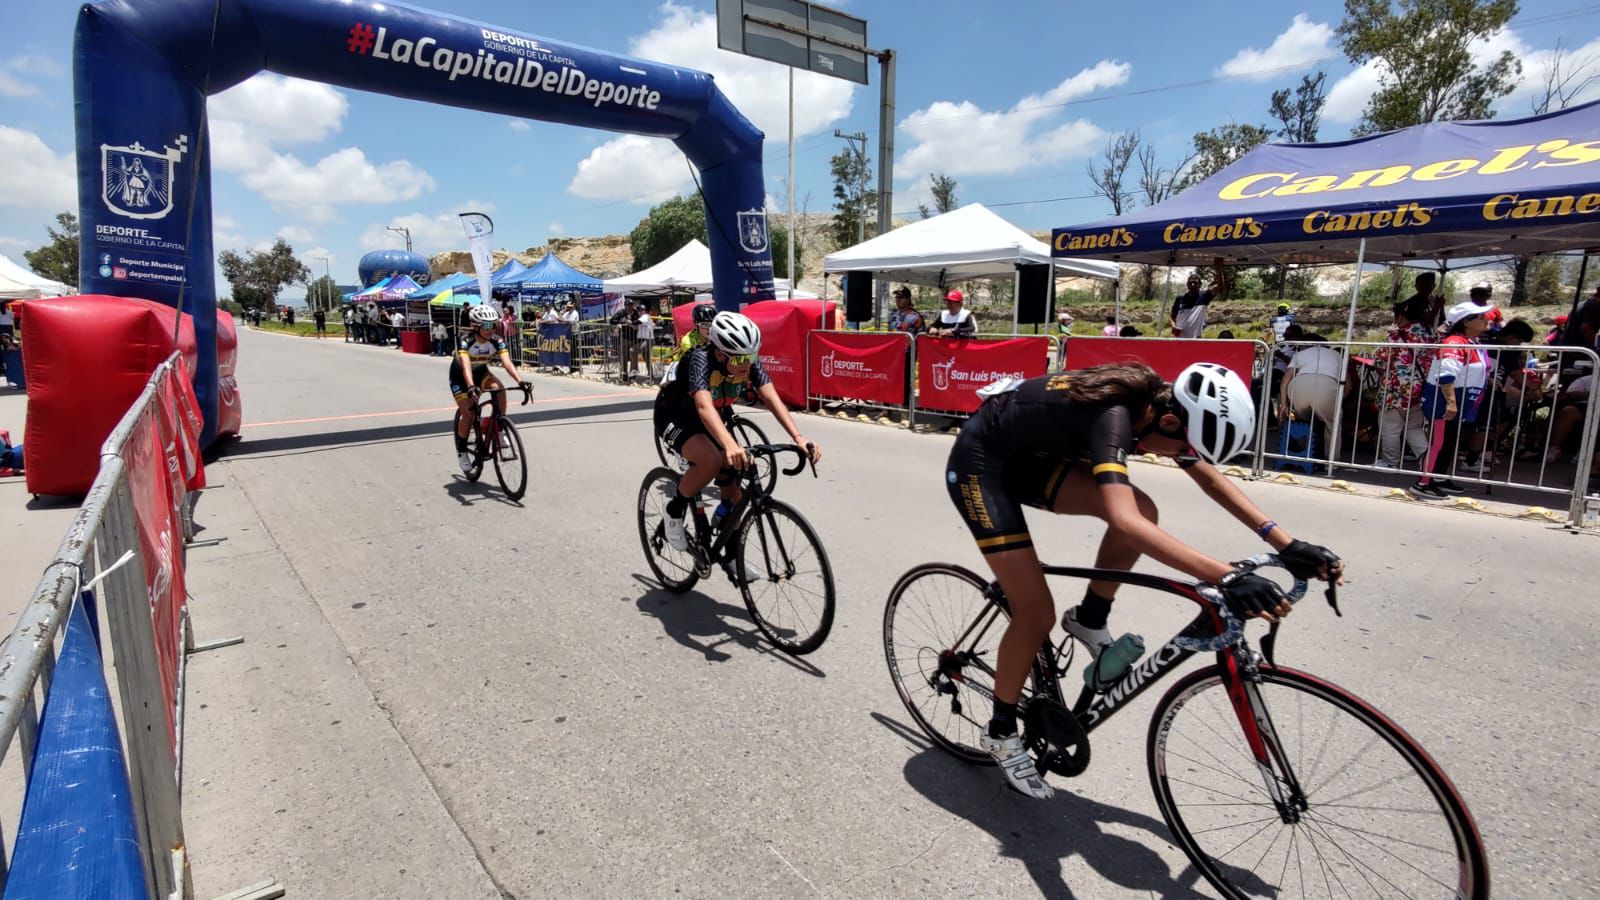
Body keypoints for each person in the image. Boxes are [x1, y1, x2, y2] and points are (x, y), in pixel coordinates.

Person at [944, 362, 1343, 798]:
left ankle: (1091, 617)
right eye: (1179, 449)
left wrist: (1286, 543)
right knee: (1036, 613)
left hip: (1034, 459)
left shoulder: (1160, 411)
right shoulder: (1114, 418)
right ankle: (1001, 731)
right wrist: (1225, 576)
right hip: (982, 464)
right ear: (1170, 421)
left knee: (1145, 509)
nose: (1178, 457)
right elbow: (1123, 522)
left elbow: (1206, 477)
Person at [654, 312, 821, 573]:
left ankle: (730, 552)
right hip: (676, 415)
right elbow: (702, 405)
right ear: (720, 353)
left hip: (711, 418)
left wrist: (798, 438)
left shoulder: (745, 359)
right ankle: (674, 512)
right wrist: (730, 445)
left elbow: (771, 396)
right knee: (711, 460)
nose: (748, 364)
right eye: (741, 358)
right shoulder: (701, 358)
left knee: (736, 490)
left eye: (753, 356)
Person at [1411, 300, 1494, 500]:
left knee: (1450, 441)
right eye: (1481, 317)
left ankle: (1438, 477)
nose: (1487, 321)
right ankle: (1423, 482)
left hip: (1462, 399)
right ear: (1466, 322)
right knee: (1439, 442)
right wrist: (1450, 401)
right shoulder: (1455, 342)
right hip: (1444, 400)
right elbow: (1446, 374)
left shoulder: (1471, 342)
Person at [451, 303, 531, 473]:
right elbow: (465, 366)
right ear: (476, 326)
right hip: (461, 377)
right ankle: (462, 451)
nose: (490, 329)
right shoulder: (466, 341)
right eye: (486, 326)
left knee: (499, 389)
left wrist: (520, 381)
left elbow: (507, 362)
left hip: (481, 373)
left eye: (493, 325)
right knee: (469, 413)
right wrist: (471, 386)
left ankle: (499, 428)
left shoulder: (497, 340)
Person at [1374, 299, 1432, 469]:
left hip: (1395, 389)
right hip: (1420, 388)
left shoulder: (1395, 336)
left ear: (1401, 317)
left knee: (1390, 427)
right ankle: (1427, 459)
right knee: (1413, 426)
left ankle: (1390, 462)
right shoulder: (1429, 336)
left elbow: (1380, 361)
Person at [1279, 334, 1349, 459]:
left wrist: (1284, 404)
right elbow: (1348, 384)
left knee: (1303, 421)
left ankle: (1299, 452)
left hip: (1299, 385)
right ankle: (1331, 460)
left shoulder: (1300, 354)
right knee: (1333, 424)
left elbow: (1285, 379)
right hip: (1326, 386)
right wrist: (1339, 401)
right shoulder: (1336, 355)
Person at [1169, 258, 1229, 338]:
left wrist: (1218, 268)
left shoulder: (1204, 296)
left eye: (1195, 283)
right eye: (1190, 283)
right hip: (1179, 340)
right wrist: (1173, 326)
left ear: (1200, 285)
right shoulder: (1180, 299)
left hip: (1195, 339)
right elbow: (1172, 317)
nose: (1192, 285)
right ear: (1187, 285)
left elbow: (1220, 286)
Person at [635, 302, 657, 381]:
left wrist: (629, 322)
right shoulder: (642, 317)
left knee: (634, 351)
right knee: (647, 359)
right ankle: (651, 376)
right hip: (644, 340)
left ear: (644, 311)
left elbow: (637, 322)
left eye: (641, 310)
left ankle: (635, 370)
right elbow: (637, 326)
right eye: (638, 310)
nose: (640, 312)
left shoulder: (645, 316)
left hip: (647, 340)